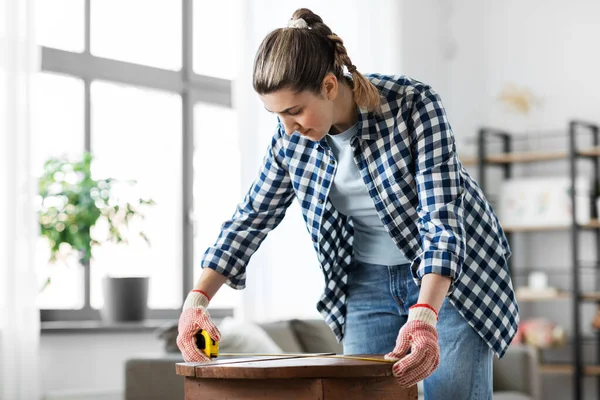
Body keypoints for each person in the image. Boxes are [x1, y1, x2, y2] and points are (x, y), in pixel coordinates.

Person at [176, 8, 519, 400]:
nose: (288, 127)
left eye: (294, 111)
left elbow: (441, 219)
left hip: (449, 278)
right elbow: (251, 217)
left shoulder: (412, 105)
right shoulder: (290, 139)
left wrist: (424, 315)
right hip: (368, 281)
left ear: (329, 86)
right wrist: (196, 301)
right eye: (276, 115)